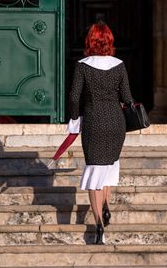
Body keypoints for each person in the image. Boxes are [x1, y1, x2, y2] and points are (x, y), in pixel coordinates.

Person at [68, 21, 133, 244]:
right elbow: (127, 98)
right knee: (108, 167)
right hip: (116, 122)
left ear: (90, 41)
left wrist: (75, 119)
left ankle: (99, 226)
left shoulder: (82, 65)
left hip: (94, 121)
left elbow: (74, 98)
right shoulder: (120, 65)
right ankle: (106, 205)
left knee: (95, 170)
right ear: (109, 41)